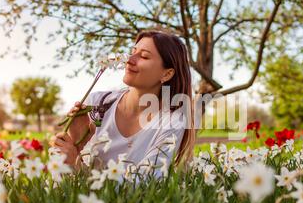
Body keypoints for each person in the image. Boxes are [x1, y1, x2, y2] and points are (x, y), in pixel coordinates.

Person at [50, 30, 195, 179]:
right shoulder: (96, 103)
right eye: (132, 51)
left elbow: (144, 184)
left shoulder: (171, 123)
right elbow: (62, 180)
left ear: (166, 74)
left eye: (144, 56)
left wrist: (76, 165)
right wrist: (75, 145)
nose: (130, 59)